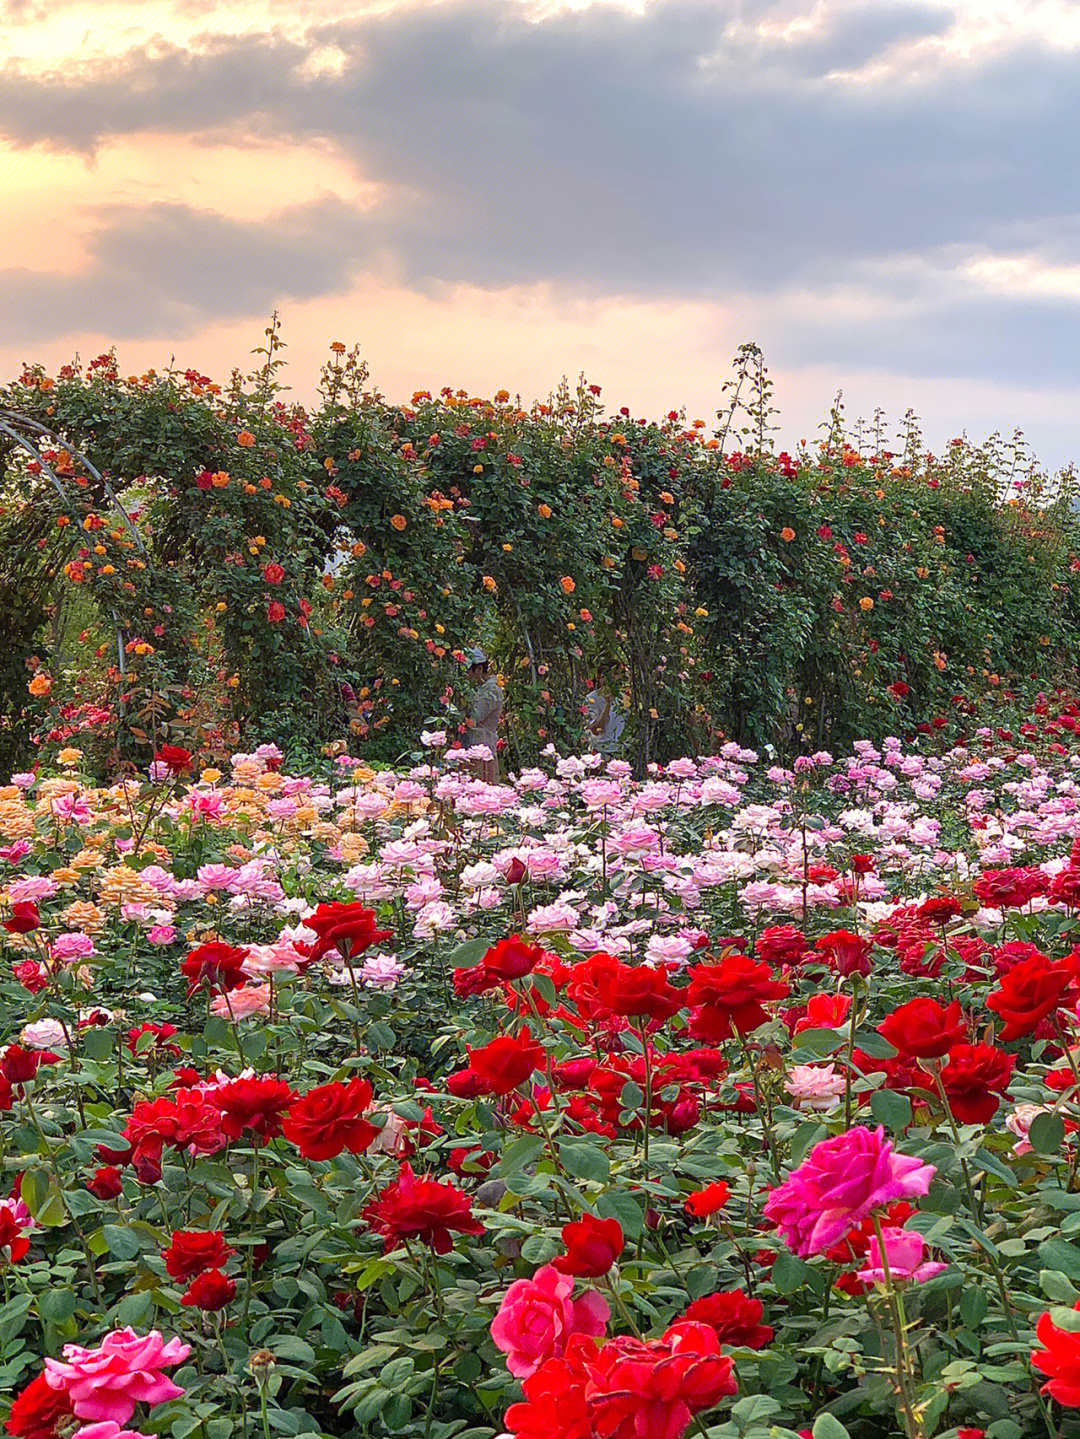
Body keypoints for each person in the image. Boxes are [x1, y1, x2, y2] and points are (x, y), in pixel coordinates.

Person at [466, 648, 503, 783]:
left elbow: (475, 716)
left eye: (469, 671)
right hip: (473, 744)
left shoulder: (492, 691)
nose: (467, 675)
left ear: (479, 669)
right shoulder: (479, 688)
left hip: (483, 744)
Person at [583, 685, 625, 757]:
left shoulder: (624, 696)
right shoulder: (591, 698)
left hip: (623, 750)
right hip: (601, 751)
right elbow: (596, 729)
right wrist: (607, 705)